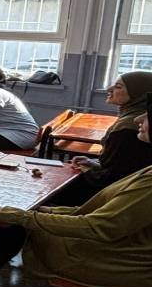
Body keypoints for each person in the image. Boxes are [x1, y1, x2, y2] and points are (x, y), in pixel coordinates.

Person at [0, 94, 152, 287]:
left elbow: (97, 226)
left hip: (120, 265)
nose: (137, 119)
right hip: (125, 253)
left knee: (15, 221)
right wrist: (44, 210)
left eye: (148, 115)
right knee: (19, 216)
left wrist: (16, 214)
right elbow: (99, 214)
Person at [55, 71, 152, 204]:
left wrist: (87, 170)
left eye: (118, 87)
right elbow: (122, 165)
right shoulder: (137, 117)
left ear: (138, 94)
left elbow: (113, 178)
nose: (109, 89)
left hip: (111, 196)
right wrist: (94, 163)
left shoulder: (129, 128)